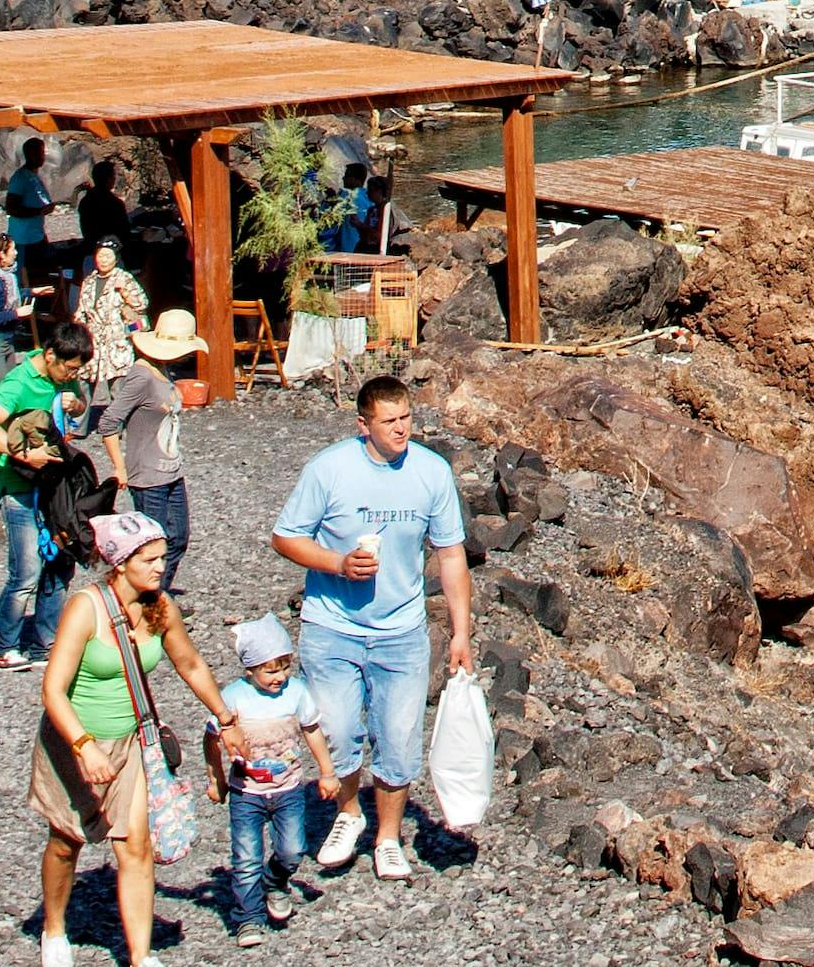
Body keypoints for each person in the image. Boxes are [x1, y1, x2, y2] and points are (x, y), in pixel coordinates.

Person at [270, 374, 479, 882]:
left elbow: (450, 555)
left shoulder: (431, 472)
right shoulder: (329, 469)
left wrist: (460, 632)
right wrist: (338, 564)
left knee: (400, 738)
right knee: (337, 730)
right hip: (332, 625)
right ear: (363, 425)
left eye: (407, 417)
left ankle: (387, 838)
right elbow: (285, 537)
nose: (401, 429)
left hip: (402, 630)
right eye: (389, 422)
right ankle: (348, 812)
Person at [32, 509, 226, 967]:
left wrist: (225, 716)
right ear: (120, 563)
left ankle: (141, 957)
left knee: (135, 846)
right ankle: (54, 928)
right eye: (149, 560)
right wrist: (83, 745)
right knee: (67, 840)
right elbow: (52, 689)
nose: (160, 567)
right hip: (74, 742)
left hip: (133, 743)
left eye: (162, 558)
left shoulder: (161, 607)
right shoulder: (87, 607)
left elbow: (191, 665)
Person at [212, 612, 345, 948]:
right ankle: (249, 919)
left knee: (293, 849)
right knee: (245, 858)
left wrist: (327, 772)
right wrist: (216, 777)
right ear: (249, 670)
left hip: (288, 789)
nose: (280, 677)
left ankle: (275, 881)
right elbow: (211, 738)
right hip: (247, 792)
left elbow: (312, 731)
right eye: (270, 670)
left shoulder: (296, 693)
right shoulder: (233, 698)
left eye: (285, 668)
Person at [0, 311, 86, 669]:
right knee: (25, 573)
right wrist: (24, 453)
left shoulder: (66, 377)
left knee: (58, 564)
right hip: (19, 487)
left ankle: (44, 645)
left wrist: (77, 403)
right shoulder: (18, 383)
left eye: (77, 371)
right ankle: (2, 646)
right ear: (50, 355)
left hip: (55, 486)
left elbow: (80, 408)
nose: (72, 376)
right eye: (69, 369)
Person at [105, 308, 203, 561]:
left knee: (178, 539)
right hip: (148, 476)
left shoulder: (163, 369)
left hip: (172, 469)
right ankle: (148, 597)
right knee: (152, 547)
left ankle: (158, 595)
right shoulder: (142, 376)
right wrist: (119, 467)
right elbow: (109, 421)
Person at [74, 241, 150, 392]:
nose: (103, 260)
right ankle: (82, 415)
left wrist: (125, 292)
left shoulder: (124, 278)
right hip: (92, 340)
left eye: (108, 256)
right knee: (83, 383)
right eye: (100, 255)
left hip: (117, 341)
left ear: (116, 259)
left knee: (118, 388)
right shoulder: (89, 281)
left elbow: (142, 304)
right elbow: (82, 310)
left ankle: (119, 415)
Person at [3, 139, 57, 291]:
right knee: (24, 278)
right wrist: (39, 211)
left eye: (42, 153)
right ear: (29, 154)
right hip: (23, 239)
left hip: (36, 235)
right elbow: (12, 207)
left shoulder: (34, 177)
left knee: (40, 275)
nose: (42, 157)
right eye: (38, 153)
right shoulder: (20, 178)